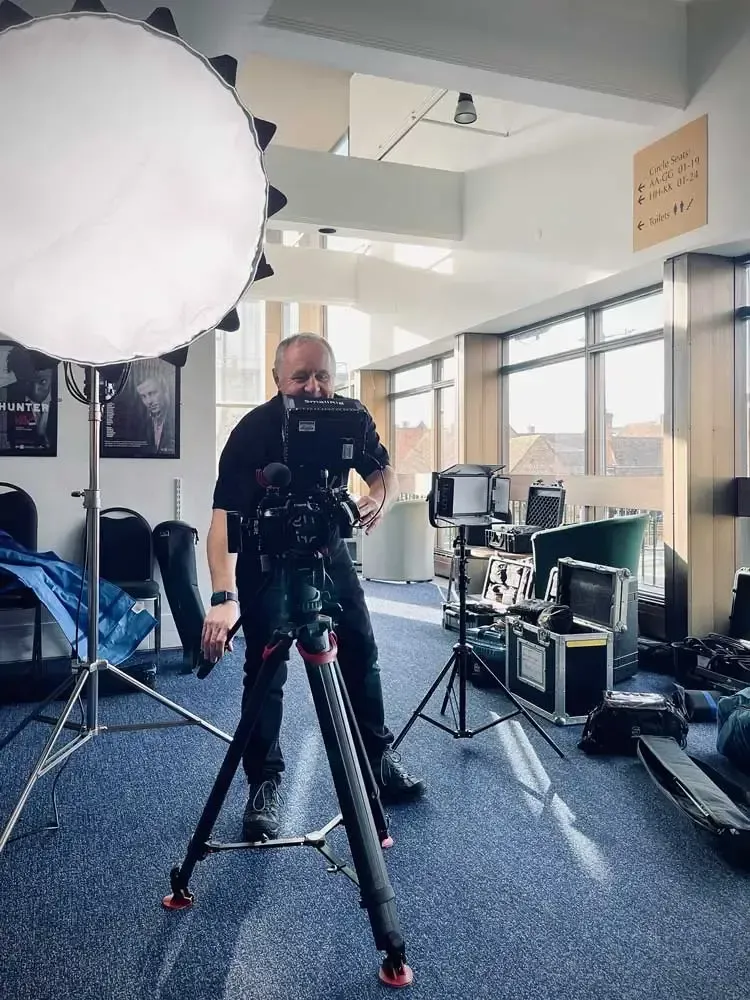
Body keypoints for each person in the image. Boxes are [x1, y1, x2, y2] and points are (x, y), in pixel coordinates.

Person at [202, 333, 426, 841]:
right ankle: (264, 782)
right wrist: (223, 595)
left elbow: (382, 469)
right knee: (265, 669)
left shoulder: (350, 415)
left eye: (321, 374)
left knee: (361, 654)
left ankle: (377, 760)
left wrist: (379, 496)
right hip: (266, 560)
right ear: (277, 377)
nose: (312, 385)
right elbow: (223, 519)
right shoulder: (252, 432)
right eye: (300, 376)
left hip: (329, 553)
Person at [135, 370, 175, 455]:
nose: (148, 401)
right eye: (143, 396)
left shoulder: (176, 419)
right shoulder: (143, 425)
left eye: (152, 393)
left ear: (165, 390)